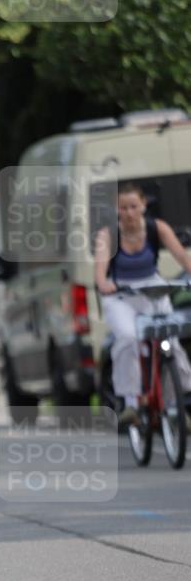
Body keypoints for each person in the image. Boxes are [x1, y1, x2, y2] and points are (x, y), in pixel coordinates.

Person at [95, 182, 191, 426]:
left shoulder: (156, 228)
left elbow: (181, 255)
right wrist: (103, 284)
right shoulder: (108, 235)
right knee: (127, 339)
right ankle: (131, 403)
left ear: (144, 206)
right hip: (122, 294)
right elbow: (100, 269)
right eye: (123, 208)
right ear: (117, 209)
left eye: (133, 206)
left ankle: (175, 404)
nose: (128, 213)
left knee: (172, 343)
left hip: (153, 289)